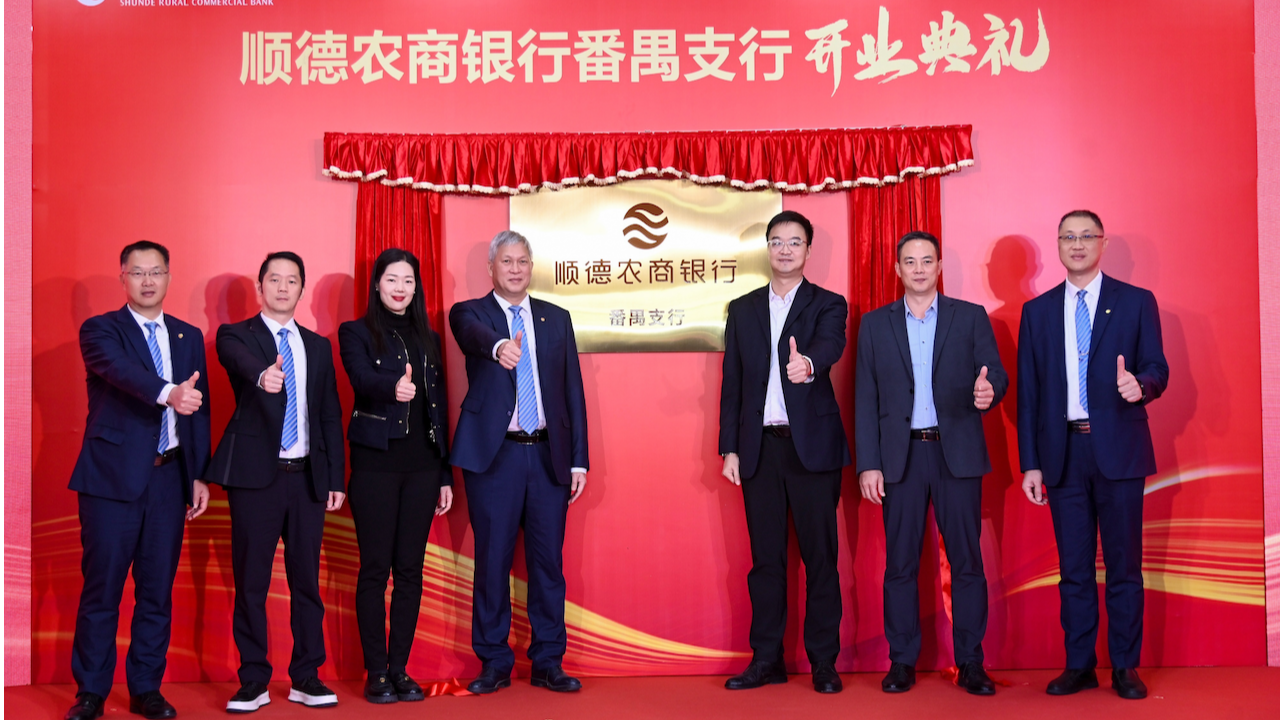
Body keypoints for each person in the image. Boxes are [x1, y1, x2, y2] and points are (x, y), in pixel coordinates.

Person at [1017, 210, 1168, 700]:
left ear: (1102, 243)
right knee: (1074, 570)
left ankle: (1125, 666)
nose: (1077, 244)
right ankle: (1079, 665)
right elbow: (1029, 396)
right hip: (1062, 454)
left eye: (1086, 236)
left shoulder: (1136, 302)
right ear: (1058, 245)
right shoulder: (1038, 312)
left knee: (1124, 568)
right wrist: (1031, 463)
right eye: (1068, 236)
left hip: (1119, 451)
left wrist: (1140, 386)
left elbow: (1158, 368)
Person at [854, 230, 1007, 696]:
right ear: (897, 269)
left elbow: (996, 374)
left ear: (939, 267)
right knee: (899, 564)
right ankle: (901, 661)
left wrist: (989, 391)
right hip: (900, 458)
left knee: (967, 562)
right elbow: (865, 398)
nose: (919, 269)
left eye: (927, 260)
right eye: (910, 261)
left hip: (955, 453)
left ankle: (971, 661)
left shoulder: (970, 317)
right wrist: (869, 463)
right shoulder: (875, 325)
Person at [64, 241, 211, 720]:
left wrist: (199, 474)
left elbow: (198, 410)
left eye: (157, 271)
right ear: (122, 278)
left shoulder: (189, 336)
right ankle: (91, 692)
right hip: (110, 482)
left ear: (169, 276)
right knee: (102, 590)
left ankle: (146, 688)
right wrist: (168, 393)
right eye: (138, 272)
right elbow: (121, 372)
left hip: (169, 480)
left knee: (156, 591)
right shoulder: (101, 330)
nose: (148, 280)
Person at [449, 230, 588, 694]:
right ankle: (493, 662)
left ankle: (548, 661)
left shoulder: (555, 318)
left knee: (548, 564)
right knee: (492, 562)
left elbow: (572, 392)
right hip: (496, 458)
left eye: (522, 261)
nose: (514, 269)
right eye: (506, 261)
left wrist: (579, 461)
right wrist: (498, 347)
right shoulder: (471, 313)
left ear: (531, 267)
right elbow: (471, 336)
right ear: (491, 267)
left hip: (548, 455)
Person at [718, 210, 850, 695]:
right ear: (768, 248)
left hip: (812, 449)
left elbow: (830, 345)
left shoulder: (828, 303)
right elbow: (732, 383)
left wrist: (808, 364)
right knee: (766, 562)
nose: (786, 249)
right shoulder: (744, 308)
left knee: (821, 560)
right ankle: (766, 659)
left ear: (808, 250)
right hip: (760, 451)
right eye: (777, 241)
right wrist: (730, 448)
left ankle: (823, 662)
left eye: (795, 242)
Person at [208, 251, 346, 713]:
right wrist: (262, 373)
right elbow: (236, 359)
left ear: (301, 288)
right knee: (251, 582)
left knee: (306, 582)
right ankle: (253, 680)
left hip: (307, 478)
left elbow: (329, 414)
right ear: (260, 286)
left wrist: (335, 477)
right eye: (274, 279)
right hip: (255, 481)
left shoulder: (317, 346)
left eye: (291, 280)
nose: (283, 287)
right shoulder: (236, 336)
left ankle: (307, 675)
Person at [338, 249, 454, 704]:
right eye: (391, 279)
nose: (400, 288)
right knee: (375, 569)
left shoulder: (429, 337)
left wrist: (444, 472)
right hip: (376, 466)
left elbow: (438, 407)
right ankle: (376, 672)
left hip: (423, 468)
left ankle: (400, 669)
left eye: (408, 280)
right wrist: (393, 387)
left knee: (410, 570)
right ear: (377, 284)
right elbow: (359, 377)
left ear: (416, 286)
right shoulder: (355, 332)